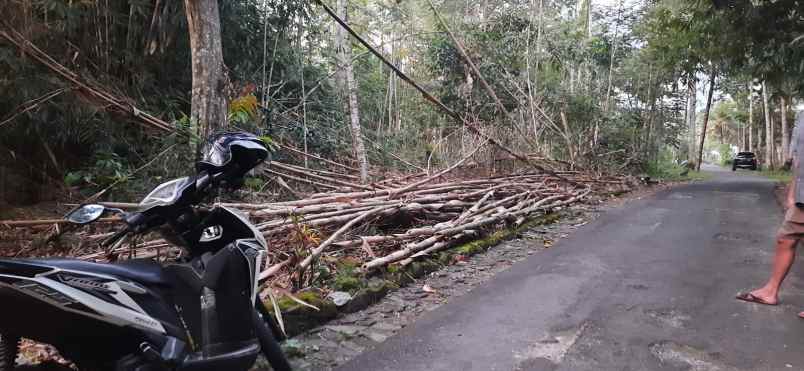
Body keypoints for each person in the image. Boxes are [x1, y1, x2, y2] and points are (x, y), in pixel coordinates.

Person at [737, 109, 804, 317]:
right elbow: (799, 160)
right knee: (786, 238)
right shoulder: (802, 117)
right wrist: (793, 191)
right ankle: (770, 291)